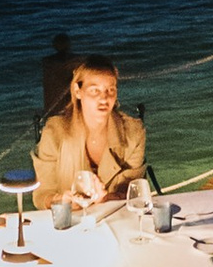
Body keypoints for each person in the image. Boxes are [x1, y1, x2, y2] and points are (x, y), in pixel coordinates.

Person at [32, 52, 147, 208]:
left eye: (110, 90)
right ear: (77, 91)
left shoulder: (133, 133)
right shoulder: (54, 132)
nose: (104, 98)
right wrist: (61, 200)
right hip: (71, 218)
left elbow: (134, 190)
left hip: (116, 216)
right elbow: (42, 194)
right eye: (95, 90)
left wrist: (108, 198)